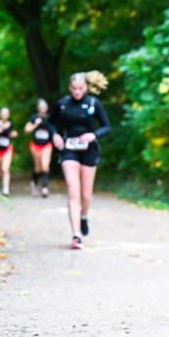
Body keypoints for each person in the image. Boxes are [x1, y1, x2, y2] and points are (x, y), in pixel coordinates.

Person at [52, 73, 111, 249]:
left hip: (89, 150)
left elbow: (107, 126)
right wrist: (55, 134)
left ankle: (83, 215)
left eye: (80, 88)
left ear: (85, 88)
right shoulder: (62, 104)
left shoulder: (93, 103)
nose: (77, 92)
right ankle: (76, 235)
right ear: (70, 88)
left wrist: (93, 135)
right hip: (69, 149)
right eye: (74, 88)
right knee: (73, 190)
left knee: (86, 194)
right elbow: (50, 122)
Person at [25, 99, 54, 198]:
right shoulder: (34, 117)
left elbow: (54, 130)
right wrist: (35, 124)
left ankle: (45, 188)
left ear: (47, 108)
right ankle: (34, 183)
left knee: (45, 166)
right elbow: (26, 130)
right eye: (41, 107)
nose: (43, 109)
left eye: (44, 107)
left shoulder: (50, 118)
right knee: (38, 168)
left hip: (47, 145)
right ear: (38, 108)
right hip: (35, 145)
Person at [0, 107, 17, 196]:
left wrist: (14, 133)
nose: (4, 115)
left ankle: (5, 188)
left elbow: (13, 133)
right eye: (3, 113)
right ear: (0, 114)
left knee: (5, 168)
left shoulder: (10, 124)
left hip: (7, 148)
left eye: (6, 114)